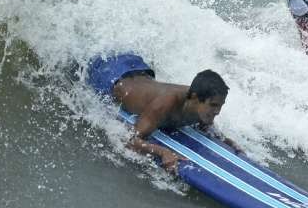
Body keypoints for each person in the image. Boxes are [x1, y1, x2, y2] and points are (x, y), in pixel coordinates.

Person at [86, 53, 234, 172]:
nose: (217, 111)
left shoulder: (199, 103)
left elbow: (205, 126)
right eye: (213, 105)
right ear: (195, 97)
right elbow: (129, 139)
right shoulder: (164, 104)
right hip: (110, 75)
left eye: (220, 106)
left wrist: (224, 139)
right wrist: (163, 152)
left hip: (138, 67)